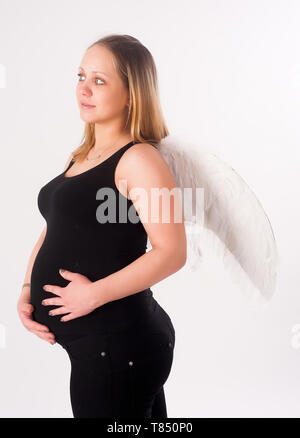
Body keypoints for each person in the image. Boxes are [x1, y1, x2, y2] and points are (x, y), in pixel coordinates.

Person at [17, 34, 187, 418]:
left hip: (119, 345)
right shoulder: (82, 156)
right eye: (81, 76)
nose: (84, 89)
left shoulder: (140, 159)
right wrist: (27, 290)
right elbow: (53, 228)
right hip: (102, 344)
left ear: (131, 94)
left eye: (99, 80)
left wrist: (92, 295)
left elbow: (172, 252)